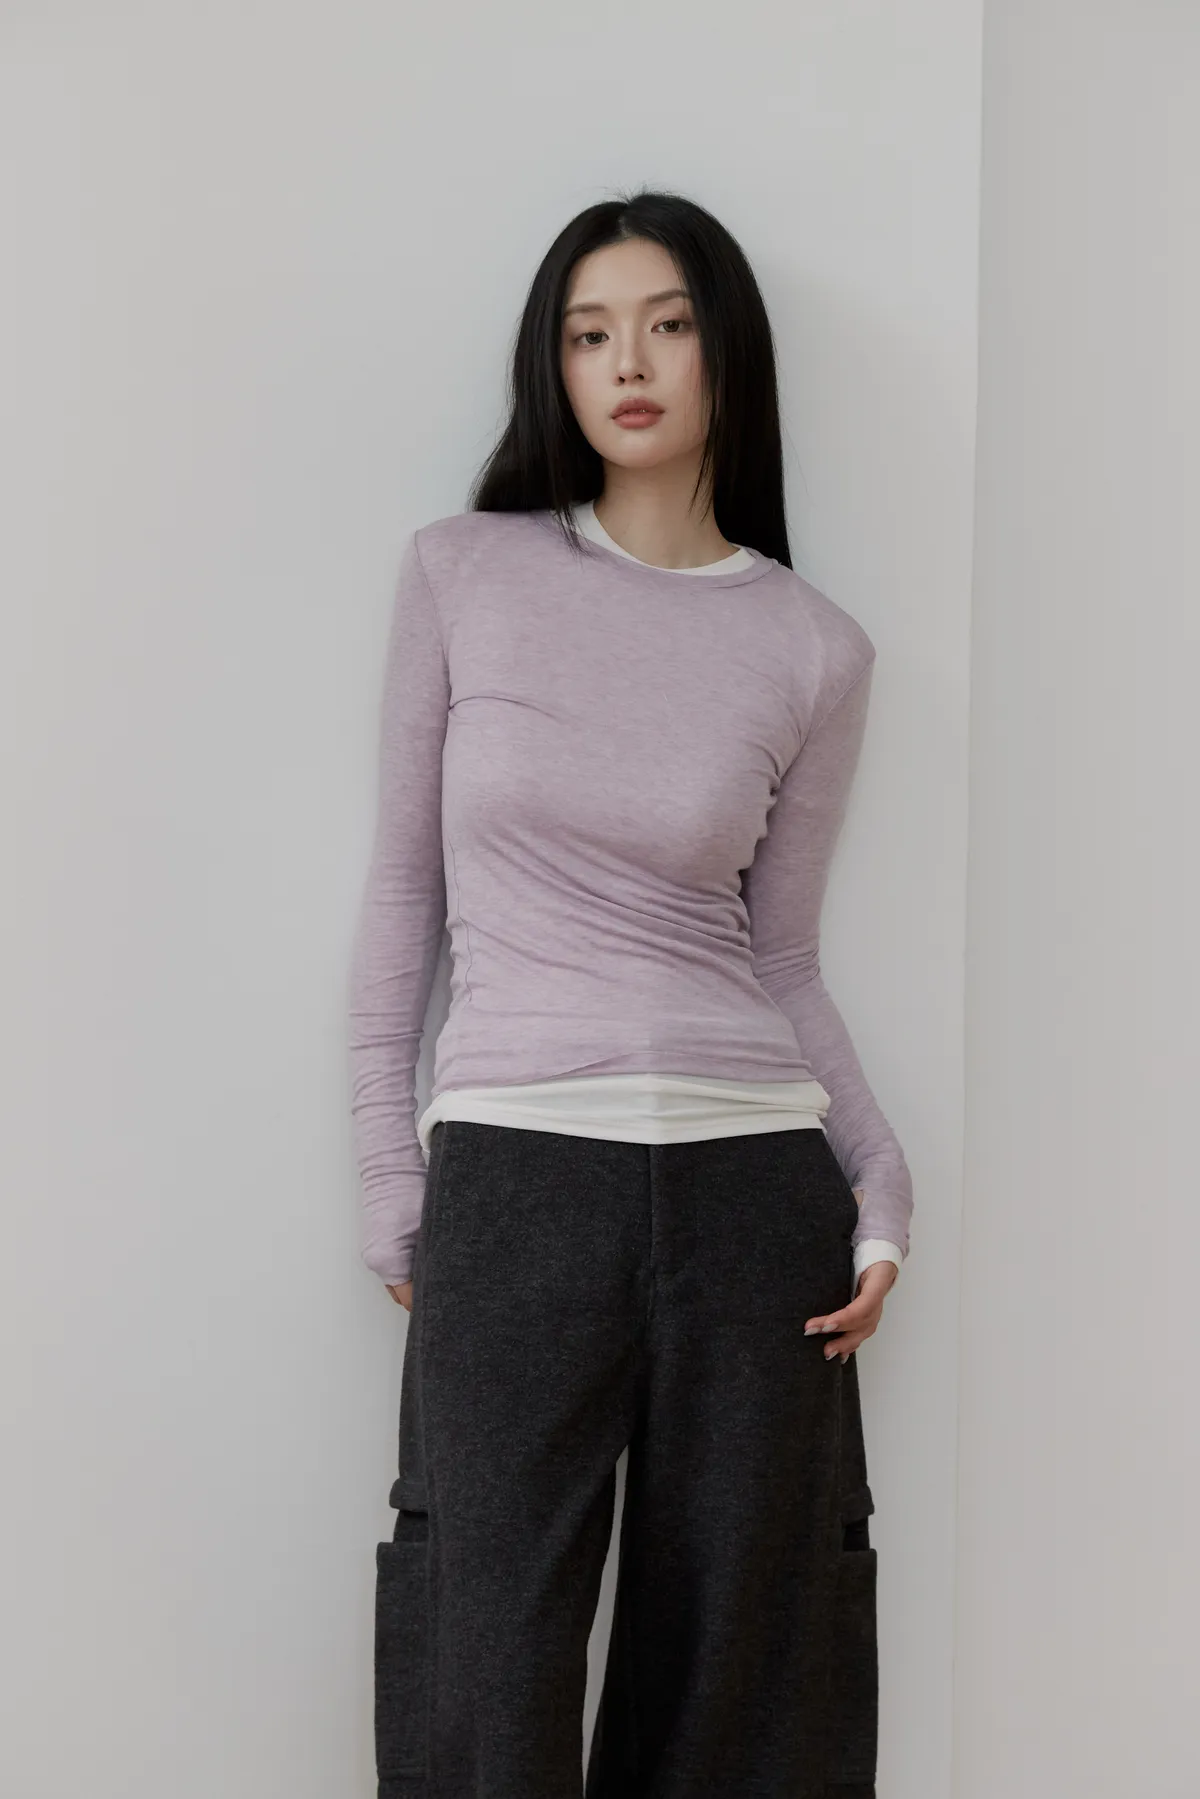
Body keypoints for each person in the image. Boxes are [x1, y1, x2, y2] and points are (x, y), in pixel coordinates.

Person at [347, 187, 913, 1799]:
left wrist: (881, 1180)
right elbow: (404, 895)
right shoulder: (465, 572)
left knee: (744, 1663)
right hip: (519, 1171)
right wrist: (392, 1175)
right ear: (557, 366)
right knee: (486, 1644)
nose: (631, 363)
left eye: (666, 324)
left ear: (725, 349)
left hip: (756, 1190)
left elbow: (782, 955)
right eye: (590, 334)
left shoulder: (814, 646)